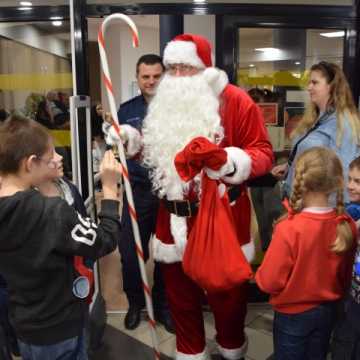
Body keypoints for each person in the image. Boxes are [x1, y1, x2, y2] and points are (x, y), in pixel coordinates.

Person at [106, 34, 274, 359]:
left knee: (228, 299)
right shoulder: (164, 105)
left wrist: (230, 161)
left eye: (186, 66)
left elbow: (264, 153)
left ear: (203, 68)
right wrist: (132, 142)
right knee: (180, 299)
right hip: (172, 218)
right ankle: (190, 351)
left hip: (221, 217)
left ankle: (231, 349)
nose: (177, 74)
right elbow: (156, 159)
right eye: (173, 67)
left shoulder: (235, 101)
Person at [0, 114, 122, 360]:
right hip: (60, 328)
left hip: (25, 325)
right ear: (30, 163)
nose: (58, 158)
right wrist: (109, 189)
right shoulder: (51, 211)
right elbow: (104, 240)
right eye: (51, 155)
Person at [256, 147, 356, 360]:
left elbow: (269, 281)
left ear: (300, 178)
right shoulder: (346, 224)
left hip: (292, 314)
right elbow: (345, 277)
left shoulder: (289, 229)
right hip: (328, 311)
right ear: (337, 181)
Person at [105, 54, 174, 332]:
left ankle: (163, 305)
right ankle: (136, 303)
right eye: (146, 76)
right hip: (138, 193)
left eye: (157, 76)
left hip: (170, 192)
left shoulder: (176, 109)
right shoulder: (125, 110)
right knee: (131, 252)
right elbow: (116, 149)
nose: (151, 81)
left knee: (169, 254)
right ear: (138, 79)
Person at [272, 61, 360, 202]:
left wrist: (335, 215)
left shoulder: (343, 123)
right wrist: (290, 167)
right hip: (297, 200)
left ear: (331, 86)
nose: (309, 87)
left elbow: (344, 174)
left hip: (318, 207)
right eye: (309, 82)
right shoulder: (314, 117)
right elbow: (314, 156)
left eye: (315, 83)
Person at [331, 155, 360, 359]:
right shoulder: (351, 213)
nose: (350, 186)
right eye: (349, 179)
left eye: (357, 181)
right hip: (351, 292)